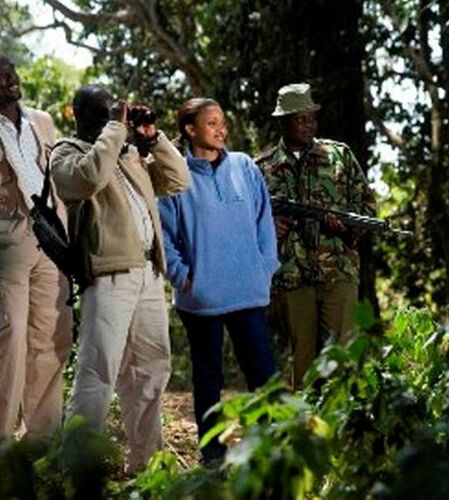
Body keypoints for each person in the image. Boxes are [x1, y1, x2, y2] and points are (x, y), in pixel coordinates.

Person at [50, 84, 190, 472]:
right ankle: (79, 468)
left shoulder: (127, 153)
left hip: (148, 272)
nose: (112, 119)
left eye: (114, 112)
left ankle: (147, 465)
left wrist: (153, 138)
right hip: (108, 273)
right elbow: (89, 179)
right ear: (78, 115)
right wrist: (115, 130)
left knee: (151, 370)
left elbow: (179, 180)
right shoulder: (67, 152)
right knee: (98, 370)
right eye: (103, 113)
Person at [158, 97, 279, 464]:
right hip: (201, 298)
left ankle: (269, 449)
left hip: (248, 290)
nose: (221, 129)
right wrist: (182, 276)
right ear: (190, 129)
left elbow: (264, 221)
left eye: (222, 122)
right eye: (211, 123)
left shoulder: (244, 166)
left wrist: (265, 267)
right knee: (208, 379)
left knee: (263, 374)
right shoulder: (175, 175)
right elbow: (163, 235)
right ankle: (212, 456)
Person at [256, 83, 376, 390]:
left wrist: (344, 226)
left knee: (342, 356)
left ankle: (343, 419)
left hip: (338, 270)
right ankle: (307, 420)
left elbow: (367, 207)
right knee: (304, 361)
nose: (309, 125)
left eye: (312, 118)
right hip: (291, 275)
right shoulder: (261, 167)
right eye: (301, 119)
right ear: (283, 122)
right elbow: (247, 223)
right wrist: (269, 226)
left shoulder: (339, 155)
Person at [0, 56, 72, 438]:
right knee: (9, 336)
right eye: (0, 75)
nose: (9, 79)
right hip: (7, 239)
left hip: (49, 236)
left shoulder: (41, 121)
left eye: (10, 72)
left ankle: (41, 444)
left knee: (51, 335)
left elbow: (55, 175)